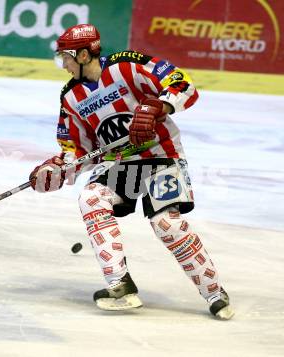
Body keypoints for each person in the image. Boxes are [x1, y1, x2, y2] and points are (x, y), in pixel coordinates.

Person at [29, 24, 234, 319]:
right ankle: (120, 285)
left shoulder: (129, 65)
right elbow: (78, 151)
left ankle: (214, 291)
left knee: (166, 224)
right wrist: (59, 168)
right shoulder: (70, 98)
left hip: (162, 157)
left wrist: (160, 107)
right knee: (92, 197)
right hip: (120, 165)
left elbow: (183, 85)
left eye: (67, 57)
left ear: (84, 54)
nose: (64, 64)